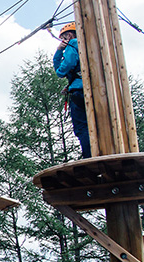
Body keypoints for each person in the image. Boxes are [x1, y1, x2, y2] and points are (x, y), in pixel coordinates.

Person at [53, 22, 91, 159]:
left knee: (81, 127)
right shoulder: (87, 46)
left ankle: (89, 155)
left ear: (69, 35)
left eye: (63, 37)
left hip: (79, 92)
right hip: (91, 89)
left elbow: (61, 70)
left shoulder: (72, 43)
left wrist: (59, 51)